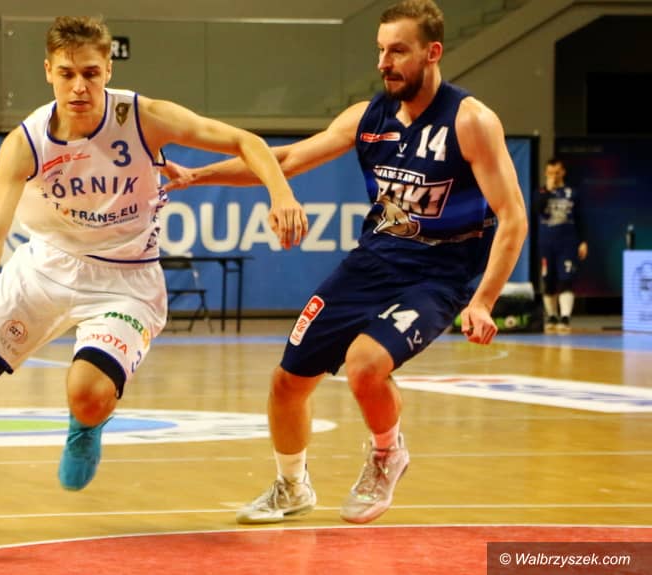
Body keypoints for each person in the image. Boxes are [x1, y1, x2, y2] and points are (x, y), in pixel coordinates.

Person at [0, 15, 308, 536]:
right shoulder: (26, 142)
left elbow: (246, 142)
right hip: (44, 267)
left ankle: (86, 424)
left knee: (87, 392)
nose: (79, 86)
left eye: (90, 73)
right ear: (48, 72)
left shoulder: (144, 118)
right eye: (66, 74)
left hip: (125, 280)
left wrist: (280, 194)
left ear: (108, 70)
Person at [161, 0, 527, 525]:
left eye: (398, 51)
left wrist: (484, 300)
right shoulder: (366, 117)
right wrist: (198, 175)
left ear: (432, 52)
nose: (384, 62)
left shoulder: (470, 121)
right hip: (372, 263)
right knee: (287, 382)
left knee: (365, 365)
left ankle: (386, 453)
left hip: (438, 275)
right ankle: (292, 487)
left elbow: (512, 217)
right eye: (380, 50)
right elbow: (286, 159)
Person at [537, 157, 586, 334]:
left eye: (557, 172)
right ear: (545, 173)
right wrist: (548, 191)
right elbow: (537, 210)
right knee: (548, 280)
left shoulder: (572, 193)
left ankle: (565, 317)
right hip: (547, 243)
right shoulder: (541, 192)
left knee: (566, 279)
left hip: (568, 243)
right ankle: (552, 316)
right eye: (550, 173)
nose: (554, 176)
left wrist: (582, 241)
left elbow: (580, 218)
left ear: (563, 172)